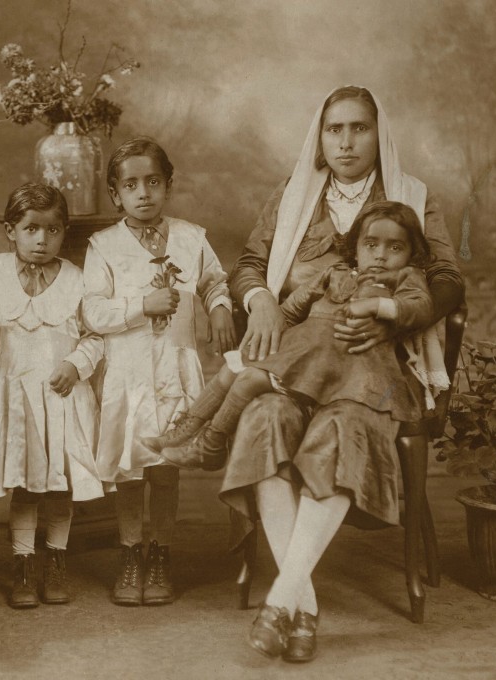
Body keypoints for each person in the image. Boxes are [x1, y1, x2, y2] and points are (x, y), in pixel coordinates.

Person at [206, 86, 463, 664]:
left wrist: (393, 322)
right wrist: (261, 301)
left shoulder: (413, 197)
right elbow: (249, 264)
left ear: (380, 133)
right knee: (264, 419)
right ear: (319, 139)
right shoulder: (292, 195)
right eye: (334, 129)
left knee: (341, 433)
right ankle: (303, 604)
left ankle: (283, 601)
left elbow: (448, 280)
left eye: (359, 128)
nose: (346, 141)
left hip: (375, 368)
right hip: (298, 362)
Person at [143, 201, 439, 463]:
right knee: (232, 368)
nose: (381, 255)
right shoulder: (335, 272)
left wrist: (378, 305)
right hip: (303, 350)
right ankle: (185, 429)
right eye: (371, 245)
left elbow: (421, 308)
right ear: (356, 246)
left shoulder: (405, 277)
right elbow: (292, 308)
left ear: (412, 252)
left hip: (341, 365)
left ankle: (211, 444)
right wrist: (270, 326)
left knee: (248, 381)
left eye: (395, 247)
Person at [82, 137, 236, 606]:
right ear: (115, 194)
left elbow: (212, 279)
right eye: (130, 185)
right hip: (129, 372)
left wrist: (221, 306)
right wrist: (140, 306)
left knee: (167, 467)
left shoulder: (191, 237)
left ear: (168, 185)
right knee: (132, 468)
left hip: (175, 367)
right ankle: (130, 553)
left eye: (153, 181)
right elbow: (92, 311)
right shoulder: (104, 246)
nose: (143, 192)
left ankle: (161, 551)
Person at [0, 183, 104, 609]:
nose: (41, 240)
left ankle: (56, 563)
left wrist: (76, 364)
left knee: (60, 489)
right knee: (27, 488)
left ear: (63, 232)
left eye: (52, 230)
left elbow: (95, 335)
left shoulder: (77, 280)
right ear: (11, 230)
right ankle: (25, 566)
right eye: (31, 229)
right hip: (16, 401)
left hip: (63, 399)